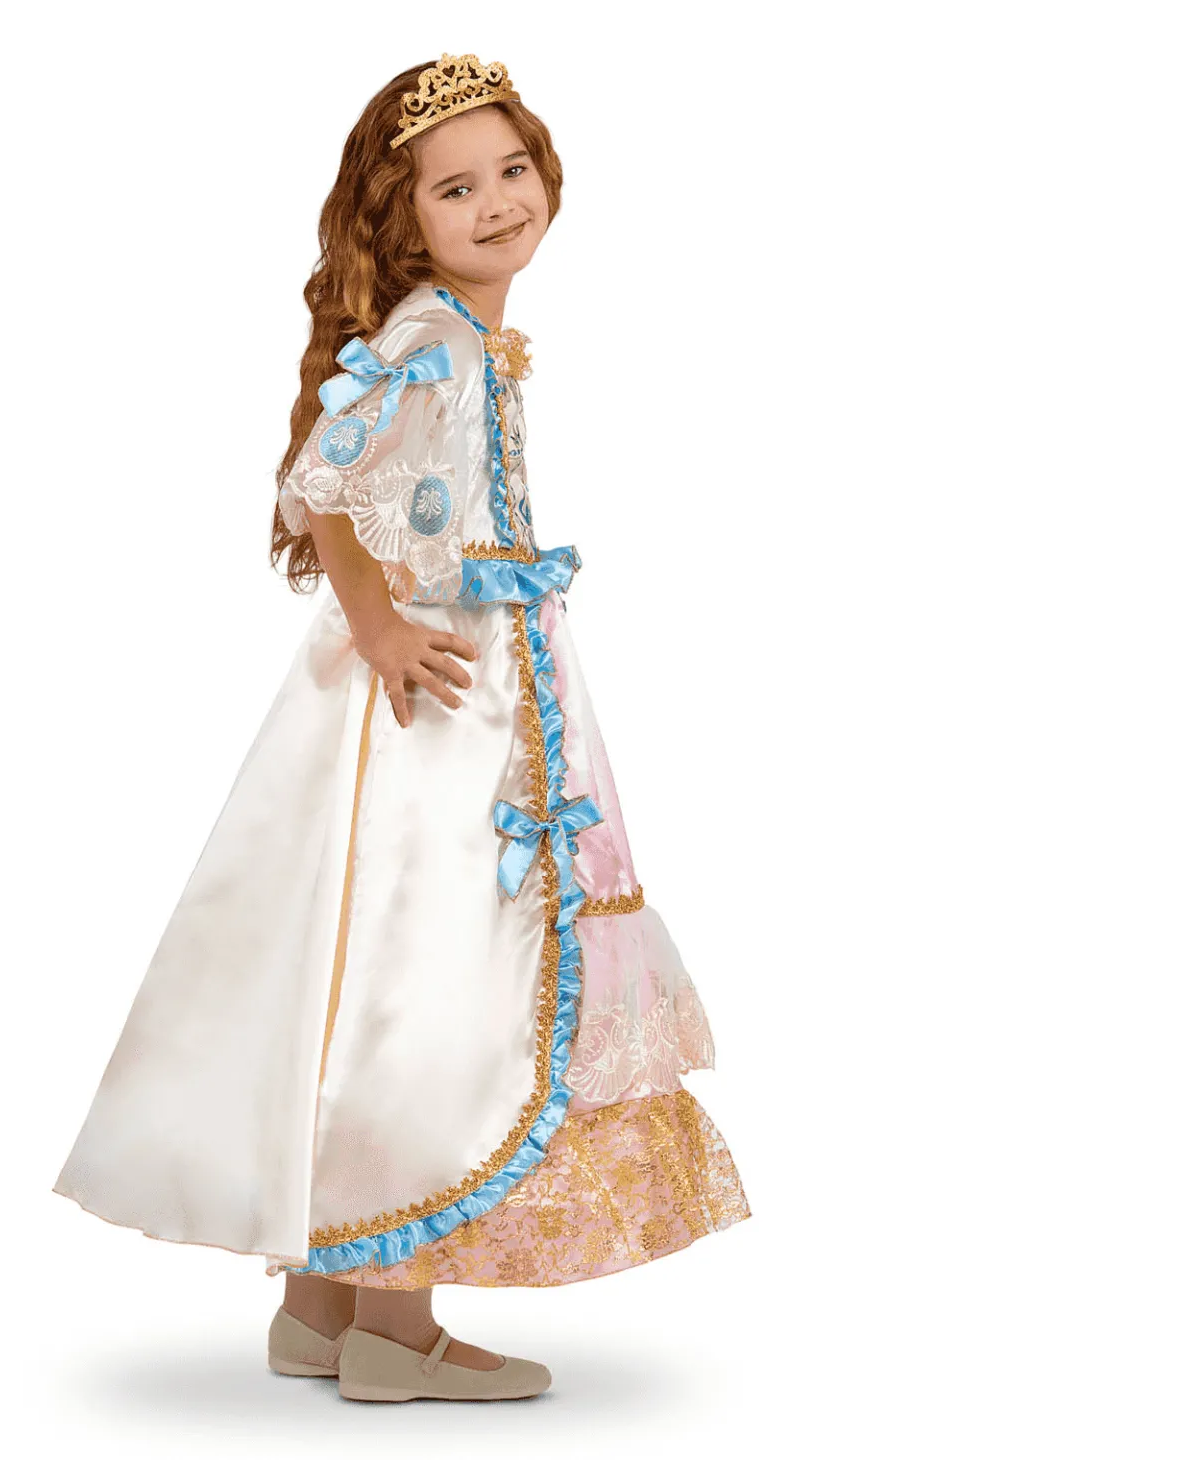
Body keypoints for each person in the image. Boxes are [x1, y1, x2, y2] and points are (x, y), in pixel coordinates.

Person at [53, 53, 752, 1403]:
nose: (499, 203)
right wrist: (380, 627)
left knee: (382, 953)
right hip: (445, 693)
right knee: (431, 968)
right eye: (457, 188)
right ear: (405, 217)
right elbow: (322, 480)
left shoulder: (461, 335)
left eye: (513, 171)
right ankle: (397, 1330)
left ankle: (321, 1309)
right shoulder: (438, 339)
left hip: (469, 667)